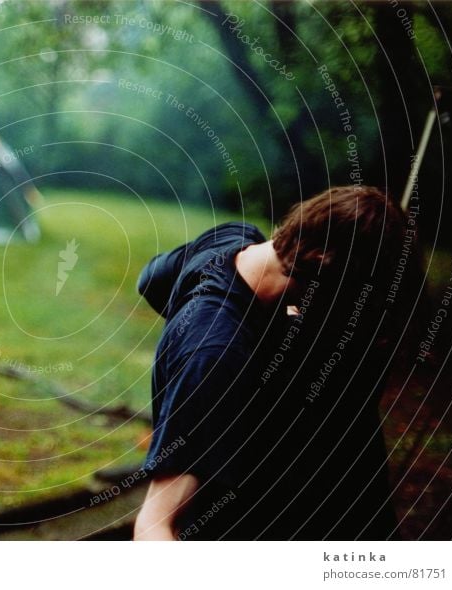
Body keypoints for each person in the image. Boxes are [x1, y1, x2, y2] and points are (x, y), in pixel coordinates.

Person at [133, 185, 423, 540]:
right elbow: (155, 526)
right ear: (319, 272)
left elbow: (151, 279)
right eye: (353, 302)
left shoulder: (234, 239)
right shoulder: (216, 356)